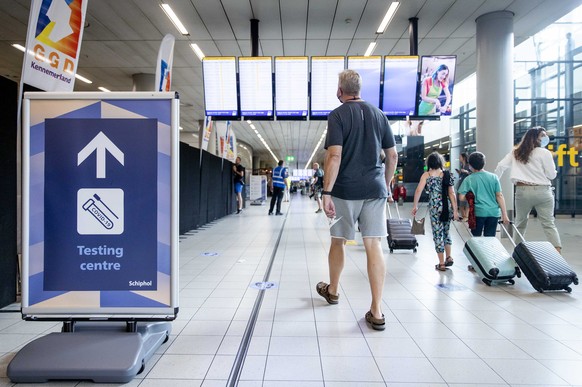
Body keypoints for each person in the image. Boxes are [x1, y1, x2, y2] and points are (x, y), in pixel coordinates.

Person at [315, 69, 398, 331]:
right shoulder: (379, 114)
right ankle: (377, 309)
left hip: (344, 191)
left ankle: (334, 290)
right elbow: (392, 156)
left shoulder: (338, 115)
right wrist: (384, 185)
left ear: (340, 90)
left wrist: (326, 192)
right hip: (374, 189)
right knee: (373, 244)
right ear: (359, 90)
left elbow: (334, 156)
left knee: (338, 240)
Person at [495, 127, 561, 253]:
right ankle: (558, 254)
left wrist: (495, 183)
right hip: (543, 191)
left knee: (520, 223)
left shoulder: (516, 152)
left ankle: (518, 253)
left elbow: (500, 166)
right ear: (535, 137)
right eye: (543, 135)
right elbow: (552, 175)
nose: (546, 138)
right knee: (549, 224)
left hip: (522, 191)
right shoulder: (544, 153)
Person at [411, 152, 459, 271]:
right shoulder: (447, 174)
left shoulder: (426, 175)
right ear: (440, 162)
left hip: (435, 207)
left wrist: (415, 206)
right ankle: (449, 257)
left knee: (437, 233)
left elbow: (418, 191)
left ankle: (441, 263)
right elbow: (452, 193)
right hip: (447, 207)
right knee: (446, 232)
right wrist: (456, 210)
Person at [458, 152, 510, 236]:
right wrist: (505, 215)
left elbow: (461, 197)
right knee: (490, 238)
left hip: (478, 213)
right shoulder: (494, 177)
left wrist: (470, 197)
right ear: (484, 163)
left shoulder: (469, 179)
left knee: (476, 238)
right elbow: (499, 196)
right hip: (493, 212)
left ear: (470, 165)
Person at [456, 152, 471, 220]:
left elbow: (471, 174)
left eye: (460, 157)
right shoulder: (462, 165)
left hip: (466, 185)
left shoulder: (468, 166)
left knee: (466, 200)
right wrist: (460, 172)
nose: (459, 158)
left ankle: (466, 216)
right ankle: (463, 215)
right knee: (460, 200)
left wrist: (465, 171)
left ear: (464, 157)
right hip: (461, 184)